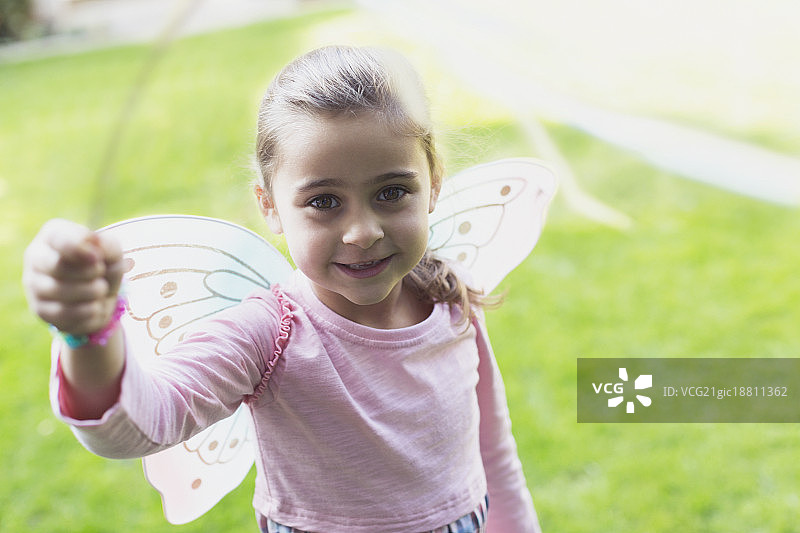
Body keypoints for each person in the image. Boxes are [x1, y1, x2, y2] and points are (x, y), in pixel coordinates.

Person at [23, 45, 542, 533]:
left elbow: (492, 450)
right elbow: (137, 426)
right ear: (269, 205)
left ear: (434, 185)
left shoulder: (450, 298)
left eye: (391, 192)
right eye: (324, 202)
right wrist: (86, 334)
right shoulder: (269, 334)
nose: (362, 232)